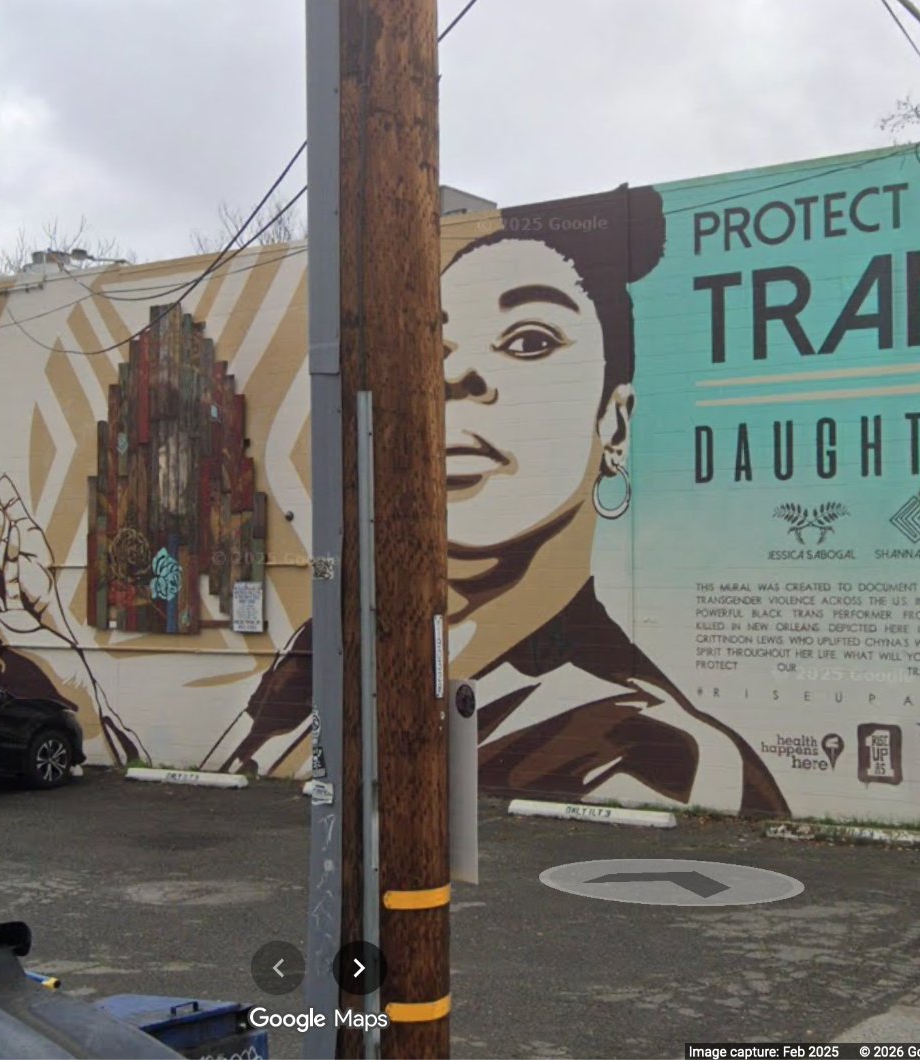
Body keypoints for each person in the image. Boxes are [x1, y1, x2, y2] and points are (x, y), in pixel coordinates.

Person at [203, 186, 790, 816]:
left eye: (529, 341)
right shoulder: (325, 650)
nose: (455, 377)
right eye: (439, 347)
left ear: (614, 424)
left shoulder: (659, 754)